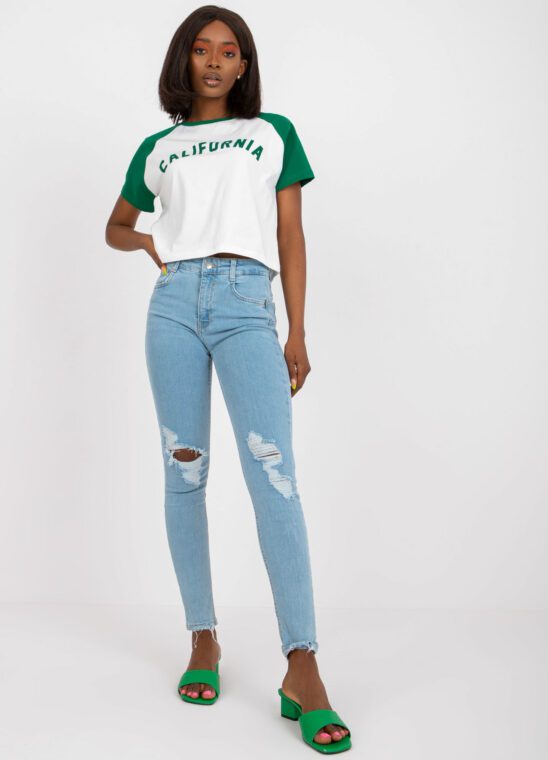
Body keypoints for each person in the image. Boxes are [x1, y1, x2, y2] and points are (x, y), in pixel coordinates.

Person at [105, 6, 351, 752]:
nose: (214, 61)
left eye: (229, 51)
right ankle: (203, 637)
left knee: (275, 478)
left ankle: (302, 663)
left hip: (248, 302)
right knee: (185, 475)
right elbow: (115, 225)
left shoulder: (271, 132)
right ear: (184, 60)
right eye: (202, 49)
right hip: (173, 306)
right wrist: (148, 242)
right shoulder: (159, 148)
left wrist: (296, 329)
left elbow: (290, 232)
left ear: (244, 65)